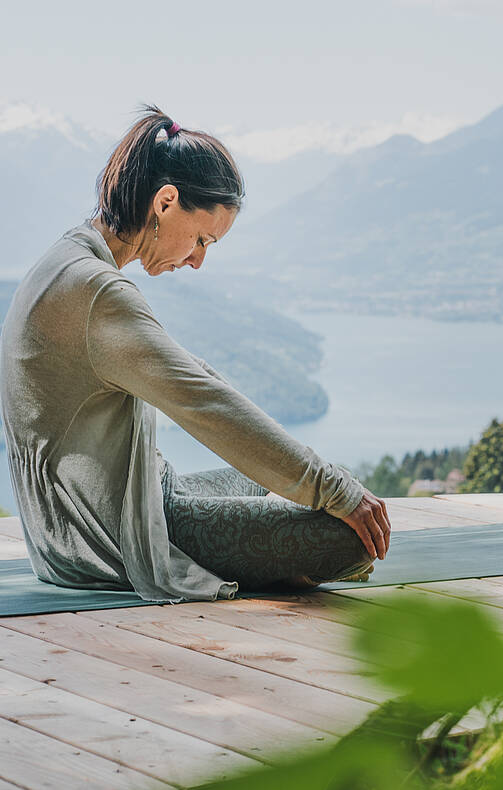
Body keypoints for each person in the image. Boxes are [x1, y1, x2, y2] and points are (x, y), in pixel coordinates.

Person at [0, 104, 391, 603]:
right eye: (202, 238)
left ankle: (267, 555)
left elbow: (197, 378)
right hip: (120, 536)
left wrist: (326, 481)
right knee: (349, 537)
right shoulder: (96, 292)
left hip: (131, 505)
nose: (199, 259)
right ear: (165, 202)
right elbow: (204, 404)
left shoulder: (70, 259)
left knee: (318, 486)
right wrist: (331, 490)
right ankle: (262, 567)